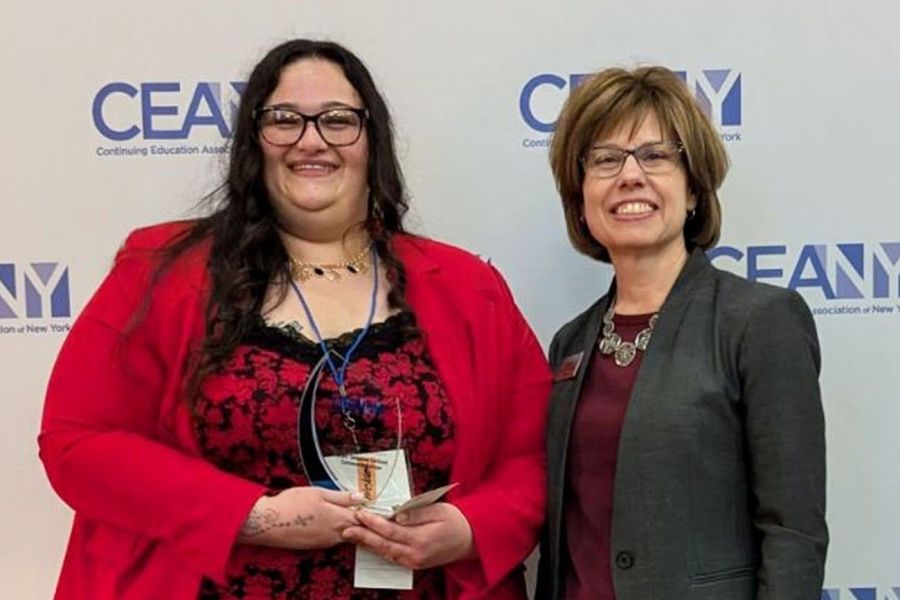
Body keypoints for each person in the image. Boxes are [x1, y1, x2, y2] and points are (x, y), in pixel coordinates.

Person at [39, 39, 550, 600]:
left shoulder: (469, 288)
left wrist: (470, 529)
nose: (311, 140)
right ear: (253, 141)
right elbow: (78, 443)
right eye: (284, 119)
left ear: (372, 140)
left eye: (337, 120)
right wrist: (255, 517)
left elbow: (530, 458)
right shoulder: (159, 273)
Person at [535, 66, 827, 600]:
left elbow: (793, 533)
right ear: (580, 197)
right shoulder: (569, 343)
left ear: (693, 188)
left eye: (655, 155)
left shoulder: (760, 321)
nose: (630, 176)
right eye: (605, 159)